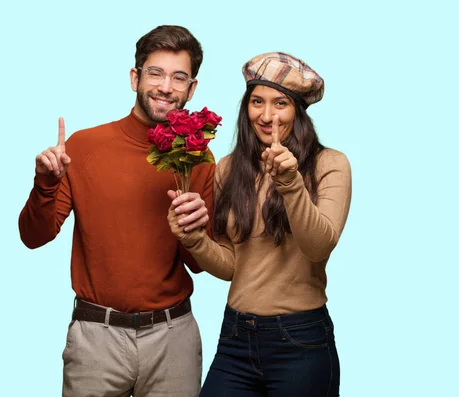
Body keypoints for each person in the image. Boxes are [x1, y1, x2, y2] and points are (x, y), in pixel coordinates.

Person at [19, 25, 215, 397]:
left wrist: (194, 229)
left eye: (179, 78)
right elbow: (33, 237)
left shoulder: (197, 158)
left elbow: (200, 263)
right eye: (155, 73)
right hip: (97, 336)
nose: (166, 87)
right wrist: (45, 183)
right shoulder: (85, 146)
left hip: (173, 337)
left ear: (192, 89)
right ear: (134, 78)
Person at [168, 52, 352, 396]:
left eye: (280, 103)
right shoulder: (228, 168)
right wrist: (194, 239)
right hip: (236, 337)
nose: (267, 116)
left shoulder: (330, 164)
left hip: (300, 341)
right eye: (257, 102)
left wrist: (290, 183)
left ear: (297, 111)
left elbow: (319, 246)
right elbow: (231, 266)